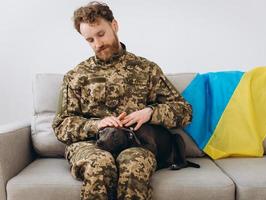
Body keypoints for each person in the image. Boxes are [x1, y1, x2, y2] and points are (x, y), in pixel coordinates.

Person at [52, 1, 192, 200]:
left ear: (114, 25)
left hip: (137, 143)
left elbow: (184, 110)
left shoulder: (146, 69)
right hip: (91, 145)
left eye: (101, 34)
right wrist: (96, 124)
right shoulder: (76, 76)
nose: (98, 44)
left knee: (135, 165)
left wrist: (150, 113)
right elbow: (61, 125)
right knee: (99, 164)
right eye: (90, 40)